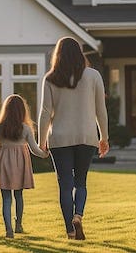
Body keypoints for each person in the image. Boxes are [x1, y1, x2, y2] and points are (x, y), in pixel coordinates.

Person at [37, 36, 109, 240]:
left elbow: (45, 113)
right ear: (80, 53)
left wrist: (41, 141)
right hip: (86, 136)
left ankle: (69, 230)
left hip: (59, 138)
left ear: (57, 55)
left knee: (65, 184)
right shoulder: (93, 76)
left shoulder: (50, 78)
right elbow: (100, 110)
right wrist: (104, 137)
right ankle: (78, 216)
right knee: (81, 182)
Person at [0, 94, 49, 239]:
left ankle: (9, 230)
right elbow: (34, 149)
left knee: (6, 198)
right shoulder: (25, 128)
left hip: (3, 164)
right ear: (22, 110)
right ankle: (18, 224)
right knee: (18, 195)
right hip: (20, 165)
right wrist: (45, 154)